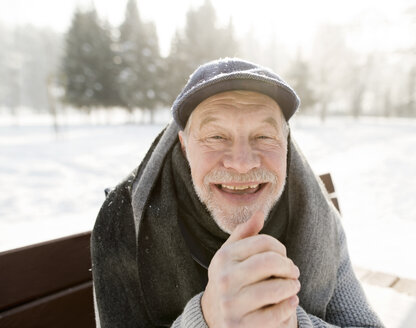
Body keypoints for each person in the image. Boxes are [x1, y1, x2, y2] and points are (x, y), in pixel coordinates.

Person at [91, 58, 384, 328]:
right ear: (184, 145)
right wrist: (205, 320)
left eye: (264, 136)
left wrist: (289, 322)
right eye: (217, 136)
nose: (242, 163)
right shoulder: (123, 221)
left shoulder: (317, 215)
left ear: (286, 143)